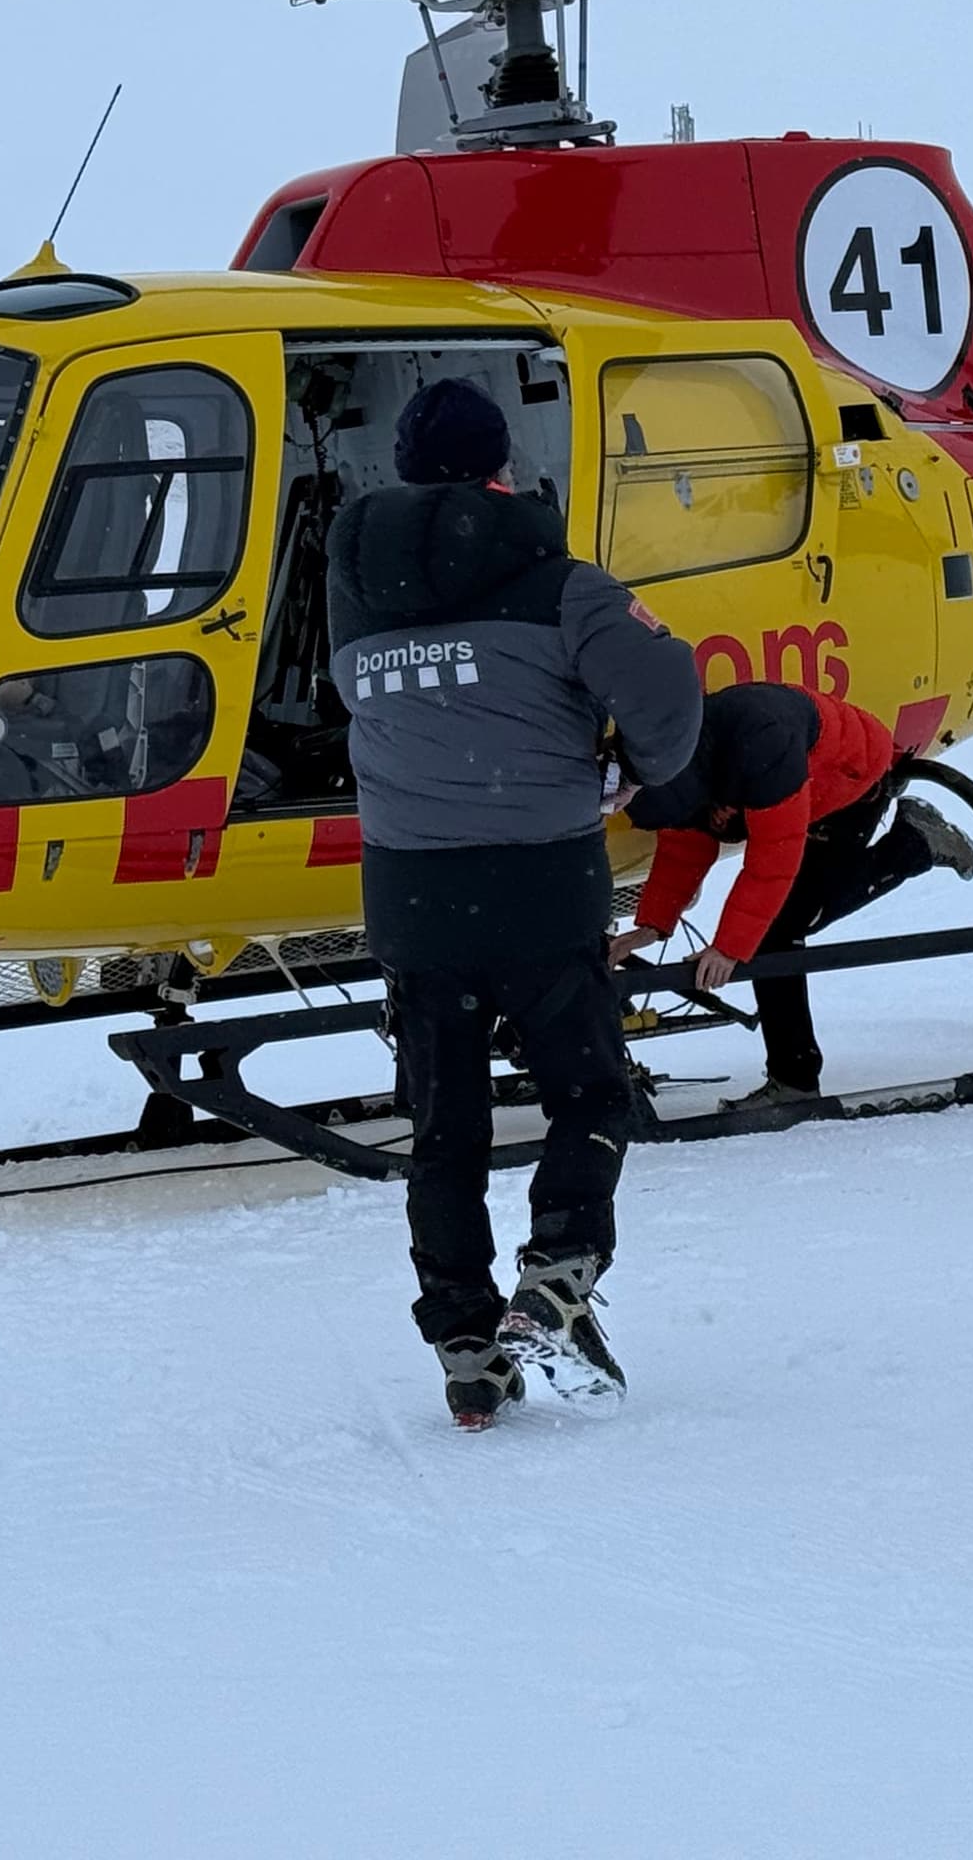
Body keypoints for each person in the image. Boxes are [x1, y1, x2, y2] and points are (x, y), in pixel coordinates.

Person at [329, 377, 703, 1429]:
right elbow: (670, 689)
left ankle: (464, 1343)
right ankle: (559, 1270)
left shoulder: (355, 589)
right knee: (587, 1093)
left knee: (445, 1127)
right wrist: (638, 772)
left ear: (399, 469)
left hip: (413, 897)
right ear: (505, 469)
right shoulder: (562, 582)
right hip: (542, 883)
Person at [611, 682, 973, 1110]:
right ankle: (794, 1076)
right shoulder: (682, 757)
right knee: (775, 931)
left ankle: (914, 845)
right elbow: (685, 842)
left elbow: (773, 860)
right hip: (802, 780)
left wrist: (729, 948)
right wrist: (653, 925)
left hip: (850, 780)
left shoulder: (761, 746)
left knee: (777, 932)